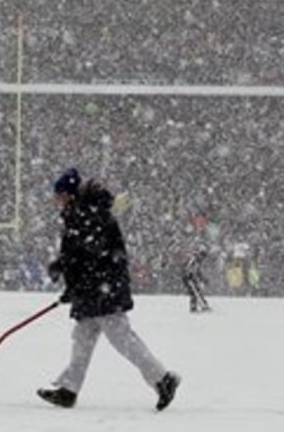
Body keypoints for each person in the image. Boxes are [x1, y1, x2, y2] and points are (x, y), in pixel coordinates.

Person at [37, 167, 181, 411]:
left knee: (122, 339)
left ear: (70, 194)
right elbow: (77, 253)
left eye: (59, 195)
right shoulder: (79, 212)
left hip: (103, 289)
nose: (56, 200)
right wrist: (62, 267)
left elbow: (91, 255)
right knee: (82, 339)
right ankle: (68, 391)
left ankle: (163, 379)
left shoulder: (89, 214)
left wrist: (74, 280)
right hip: (93, 289)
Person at [182, 240, 212, 313]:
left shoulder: (198, 261)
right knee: (195, 292)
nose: (203, 258)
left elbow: (198, 272)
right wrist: (188, 275)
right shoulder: (194, 259)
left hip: (191, 277)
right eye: (203, 255)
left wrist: (203, 279)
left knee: (196, 291)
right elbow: (188, 268)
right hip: (188, 277)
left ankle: (198, 306)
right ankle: (200, 306)